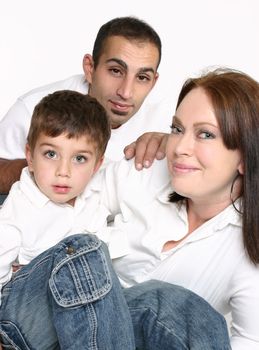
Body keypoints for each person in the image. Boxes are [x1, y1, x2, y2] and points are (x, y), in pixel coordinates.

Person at [0, 90, 231, 349]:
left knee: (179, 306)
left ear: (96, 164)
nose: (63, 172)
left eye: (79, 159)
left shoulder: (97, 187)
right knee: (85, 250)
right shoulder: (21, 203)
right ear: (30, 157)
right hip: (21, 320)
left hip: (85, 322)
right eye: (51, 155)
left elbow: (130, 168)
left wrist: (170, 141)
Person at [90, 68, 259, 349]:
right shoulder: (148, 167)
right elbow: (71, 197)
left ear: (245, 157)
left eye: (205, 134)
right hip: (65, 317)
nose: (179, 147)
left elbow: (251, 339)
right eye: (177, 129)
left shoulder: (248, 251)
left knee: (185, 311)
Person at [0, 16, 172, 196]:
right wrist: (44, 166)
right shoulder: (33, 107)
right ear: (90, 68)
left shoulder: (168, 123)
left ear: (153, 82)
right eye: (115, 71)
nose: (126, 92)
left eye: (142, 77)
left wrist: (174, 148)